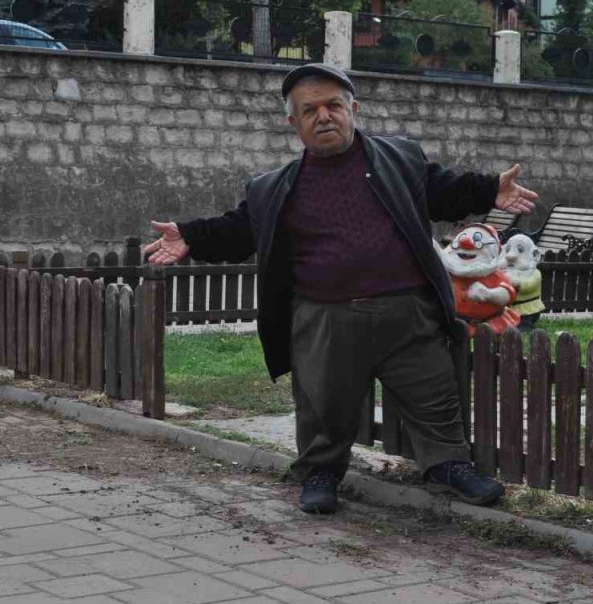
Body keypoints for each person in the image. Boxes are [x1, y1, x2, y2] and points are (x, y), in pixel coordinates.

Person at [144, 63, 540, 514]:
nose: (324, 116)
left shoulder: (400, 159)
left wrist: (490, 190)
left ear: (354, 109)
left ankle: (449, 466)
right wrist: (191, 237)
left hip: (406, 312)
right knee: (323, 407)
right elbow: (239, 230)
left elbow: (443, 189)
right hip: (325, 318)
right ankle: (322, 471)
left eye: (333, 105)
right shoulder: (274, 187)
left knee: (434, 398)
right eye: (309, 110)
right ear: (293, 123)